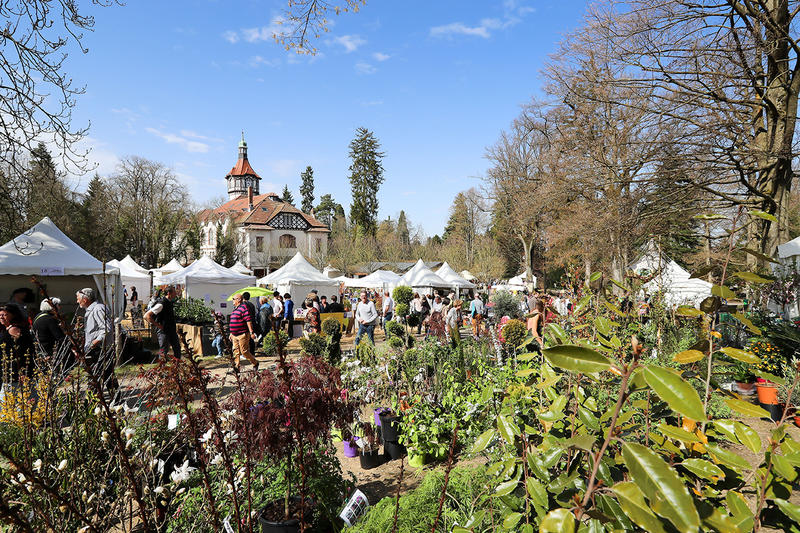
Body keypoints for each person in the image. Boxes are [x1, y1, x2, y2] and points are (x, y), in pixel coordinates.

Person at [76, 288, 118, 393]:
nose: (77, 301)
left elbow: (106, 328)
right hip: (95, 349)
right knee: (97, 376)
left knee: (103, 375)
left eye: (78, 299)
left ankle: (114, 401)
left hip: (99, 349)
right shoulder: (91, 310)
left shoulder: (98, 309)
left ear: (85, 300)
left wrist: (95, 342)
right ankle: (98, 402)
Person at [144, 285, 181, 359]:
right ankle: (162, 367)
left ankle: (177, 366)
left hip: (171, 329)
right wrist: (158, 325)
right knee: (163, 351)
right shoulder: (161, 303)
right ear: (169, 293)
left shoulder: (170, 302)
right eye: (174, 292)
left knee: (177, 348)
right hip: (163, 331)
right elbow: (146, 316)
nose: (176, 294)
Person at [229, 293, 258, 370]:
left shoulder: (244, 308)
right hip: (234, 334)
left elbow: (248, 320)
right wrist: (231, 333)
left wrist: (251, 332)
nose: (232, 301)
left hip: (243, 334)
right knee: (235, 351)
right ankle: (236, 368)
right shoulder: (235, 309)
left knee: (244, 352)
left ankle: (255, 363)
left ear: (239, 300)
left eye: (233, 299)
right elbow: (232, 321)